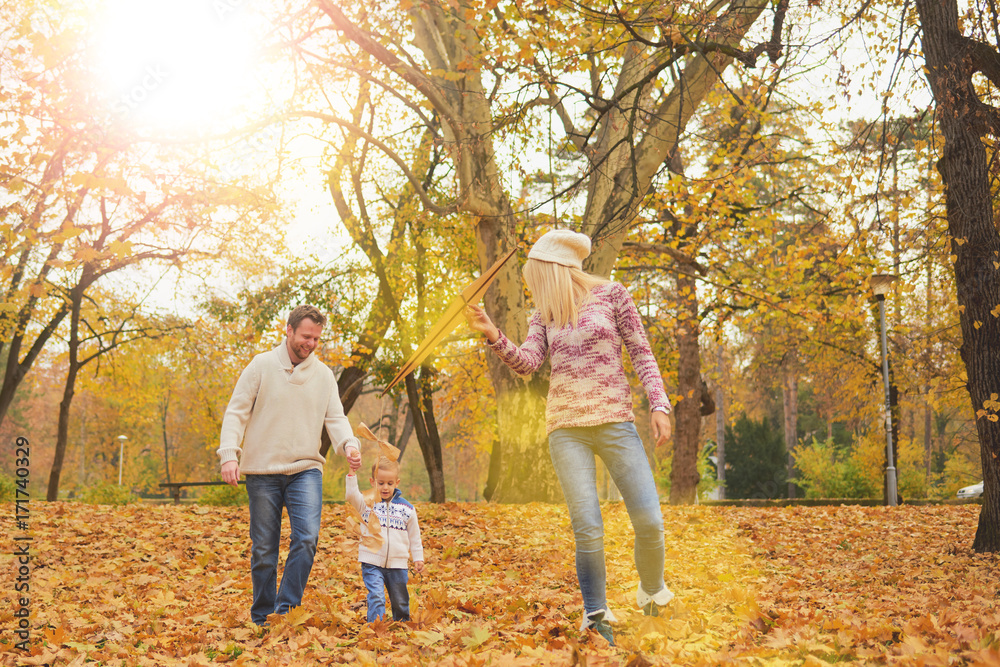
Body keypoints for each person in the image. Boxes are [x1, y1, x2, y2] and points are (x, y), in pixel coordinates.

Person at [464, 229, 674, 645]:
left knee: (649, 520)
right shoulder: (544, 315)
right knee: (588, 525)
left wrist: (659, 403)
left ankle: (651, 588)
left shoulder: (613, 295)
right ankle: (596, 616)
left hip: (615, 420)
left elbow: (641, 351)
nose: (534, 284)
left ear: (554, 267)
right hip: (566, 429)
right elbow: (527, 363)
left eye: (537, 274)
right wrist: (492, 332)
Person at [217, 304, 362, 626]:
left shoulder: (323, 375)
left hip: (305, 469)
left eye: (315, 339)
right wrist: (229, 453)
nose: (310, 343)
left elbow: (335, 418)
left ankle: (285, 610)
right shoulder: (261, 366)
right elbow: (237, 412)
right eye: (305, 336)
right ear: (289, 330)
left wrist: (348, 444)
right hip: (262, 471)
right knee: (264, 550)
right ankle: (261, 615)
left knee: (307, 538)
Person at [346, 456, 424, 622]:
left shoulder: (406, 509)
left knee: (400, 599)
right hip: (372, 561)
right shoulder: (367, 503)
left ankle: (402, 623)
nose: (385, 487)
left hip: (398, 563)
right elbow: (352, 495)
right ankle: (376, 626)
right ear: (372, 481)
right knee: (376, 596)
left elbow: (414, 536)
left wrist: (418, 558)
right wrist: (352, 473)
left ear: (397, 482)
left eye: (389, 483)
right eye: (380, 483)